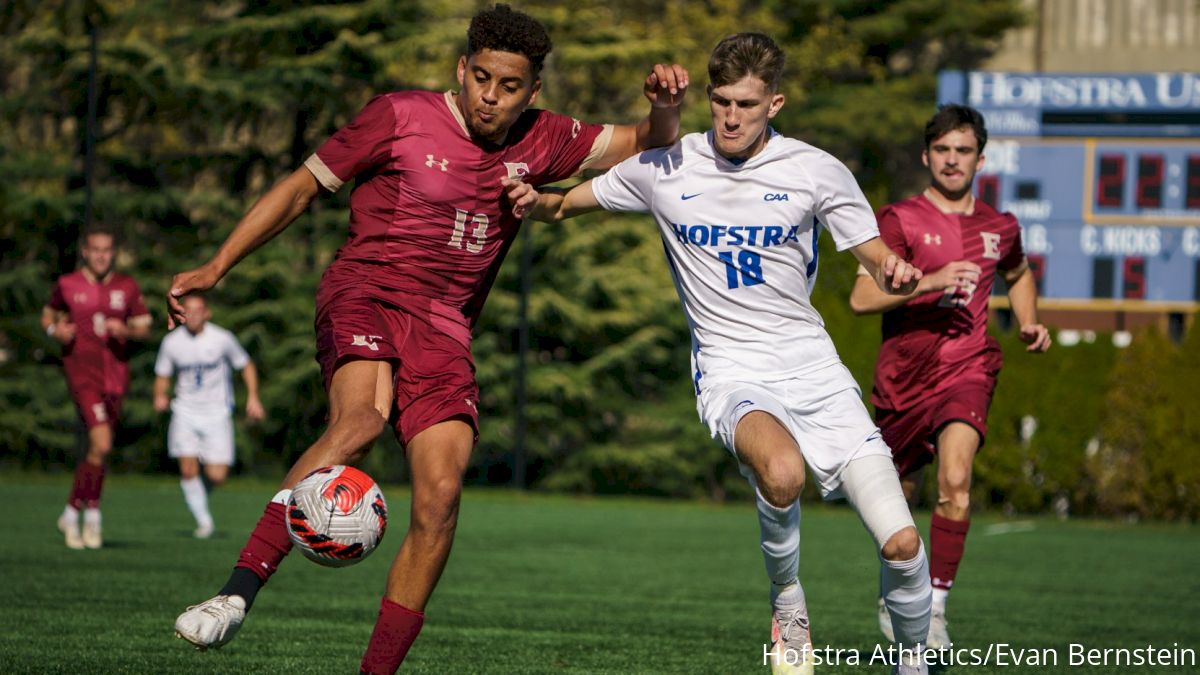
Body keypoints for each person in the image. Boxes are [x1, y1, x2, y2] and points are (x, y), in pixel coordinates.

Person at [168, 4, 688, 672]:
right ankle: (235, 595)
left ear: (533, 92)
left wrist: (667, 105)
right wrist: (216, 267)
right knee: (359, 420)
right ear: (461, 68)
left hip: (444, 326)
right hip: (368, 290)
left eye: (508, 86)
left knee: (440, 494)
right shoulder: (398, 115)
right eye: (480, 78)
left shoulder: (547, 139)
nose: (490, 97)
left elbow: (650, 137)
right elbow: (301, 188)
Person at [506, 32, 932, 675]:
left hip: (816, 372)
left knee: (902, 546)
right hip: (733, 372)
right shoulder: (666, 166)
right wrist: (531, 201)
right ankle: (788, 600)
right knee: (781, 472)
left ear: (776, 103)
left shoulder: (816, 169)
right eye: (721, 101)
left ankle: (918, 659)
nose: (731, 117)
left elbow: (871, 253)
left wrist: (895, 269)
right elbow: (565, 203)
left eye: (747, 104)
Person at [848, 104, 1052, 650]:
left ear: (980, 159)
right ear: (926, 156)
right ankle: (899, 589)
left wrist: (1029, 321)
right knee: (898, 501)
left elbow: (1018, 272)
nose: (953, 160)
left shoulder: (1000, 226)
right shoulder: (899, 219)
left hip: (968, 368)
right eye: (943, 150)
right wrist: (933, 279)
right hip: (903, 381)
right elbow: (862, 297)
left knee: (956, 482)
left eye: (963, 151)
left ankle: (935, 608)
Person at [44, 227, 152, 549]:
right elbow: (48, 315)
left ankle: (77, 512)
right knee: (101, 442)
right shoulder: (68, 284)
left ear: (113, 252)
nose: (101, 255)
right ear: (85, 251)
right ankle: (88, 516)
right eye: (96, 249)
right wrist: (54, 330)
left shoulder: (126, 286)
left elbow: (145, 326)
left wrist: (127, 328)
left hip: (116, 376)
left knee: (99, 450)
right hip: (83, 374)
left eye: (107, 250)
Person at [153, 294, 265, 539]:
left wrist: (253, 397)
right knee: (188, 468)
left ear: (207, 313)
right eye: (188, 310)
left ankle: (197, 497)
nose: (192, 315)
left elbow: (245, 365)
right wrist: (160, 395)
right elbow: (162, 373)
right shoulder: (172, 342)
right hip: (184, 411)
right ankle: (204, 522)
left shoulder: (222, 338)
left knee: (218, 475)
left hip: (217, 412)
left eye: (197, 310)